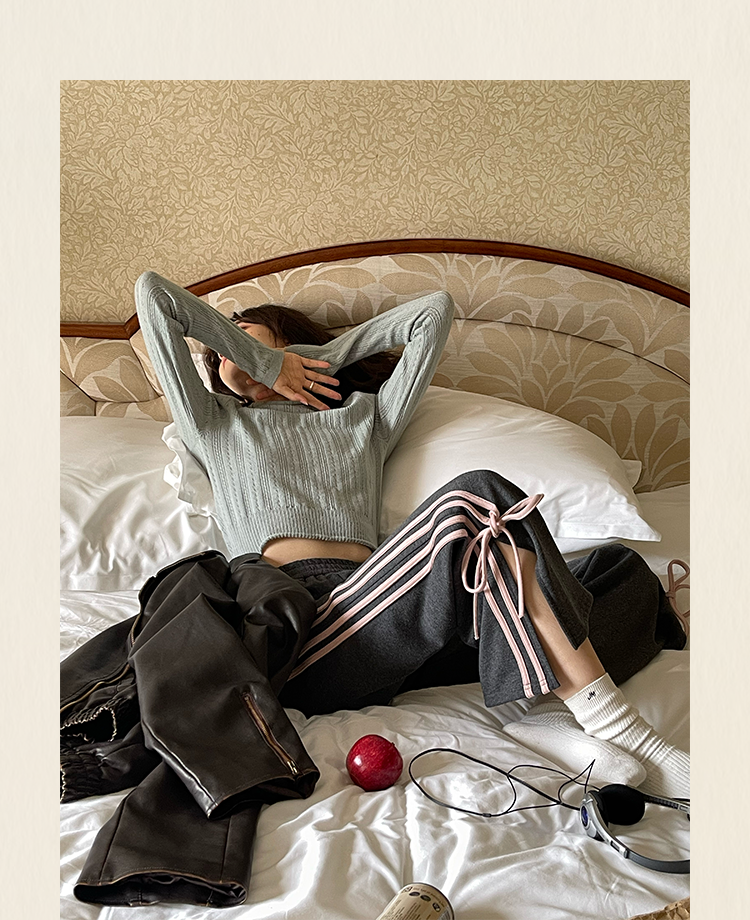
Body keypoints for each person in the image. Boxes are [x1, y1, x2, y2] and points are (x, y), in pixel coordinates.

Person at [62, 272, 688, 907]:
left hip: (397, 613)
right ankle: (618, 726)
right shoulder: (216, 425)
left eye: (245, 336)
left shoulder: (367, 418)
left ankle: (536, 707)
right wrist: (263, 361)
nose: (228, 353)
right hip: (303, 624)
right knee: (481, 499)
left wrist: (314, 362)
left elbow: (433, 313)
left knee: (616, 569)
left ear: (294, 342)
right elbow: (153, 297)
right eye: (222, 347)